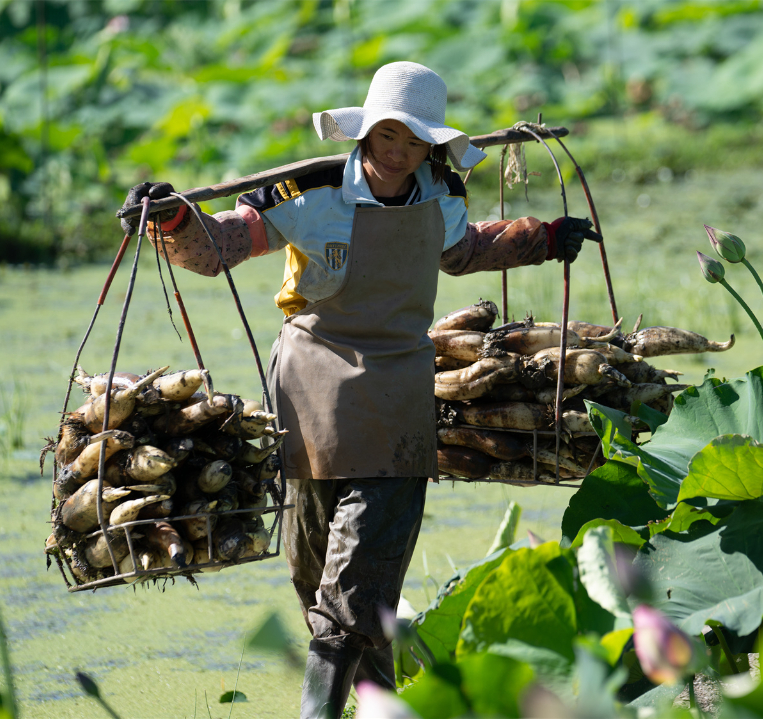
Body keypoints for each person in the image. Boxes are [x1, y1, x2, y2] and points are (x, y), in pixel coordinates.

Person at [118, 61, 600, 719]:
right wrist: (172, 220)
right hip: (310, 400)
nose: (398, 153)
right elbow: (221, 246)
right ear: (366, 132)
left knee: (350, 595)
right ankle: (382, 704)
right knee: (316, 578)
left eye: (413, 141)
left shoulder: (440, 191)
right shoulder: (307, 192)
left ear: (430, 145)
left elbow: (465, 252)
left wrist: (543, 238)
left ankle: (316, 714)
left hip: (398, 401)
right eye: (388, 137)